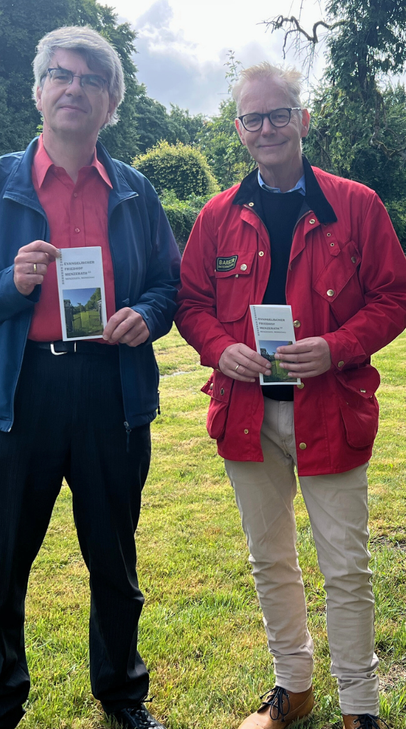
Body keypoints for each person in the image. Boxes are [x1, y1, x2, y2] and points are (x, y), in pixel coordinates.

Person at [0, 25, 180, 729]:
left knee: (114, 562)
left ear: (111, 103)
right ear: (38, 92)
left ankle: (124, 696)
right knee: (2, 566)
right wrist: (7, 284)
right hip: (17, 394)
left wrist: (146, 317)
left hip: (110, 388)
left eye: (92, 79)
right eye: (61, 75)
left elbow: (167, 283)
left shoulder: (135, 192)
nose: (75, 88)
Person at [176, 62, 406, 729]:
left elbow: (395, 297)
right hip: (246, 413)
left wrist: (336, 345)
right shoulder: (216, 217)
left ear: (303, 121)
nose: (268, 127)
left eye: (280, 114)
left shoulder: (356, 206)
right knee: (269, 557)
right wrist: (221, 349)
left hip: (331, 408)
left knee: (346, 565)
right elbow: (192, 303)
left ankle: (360, 708)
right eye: (254, 117)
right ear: (240, 130)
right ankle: (292, 690)